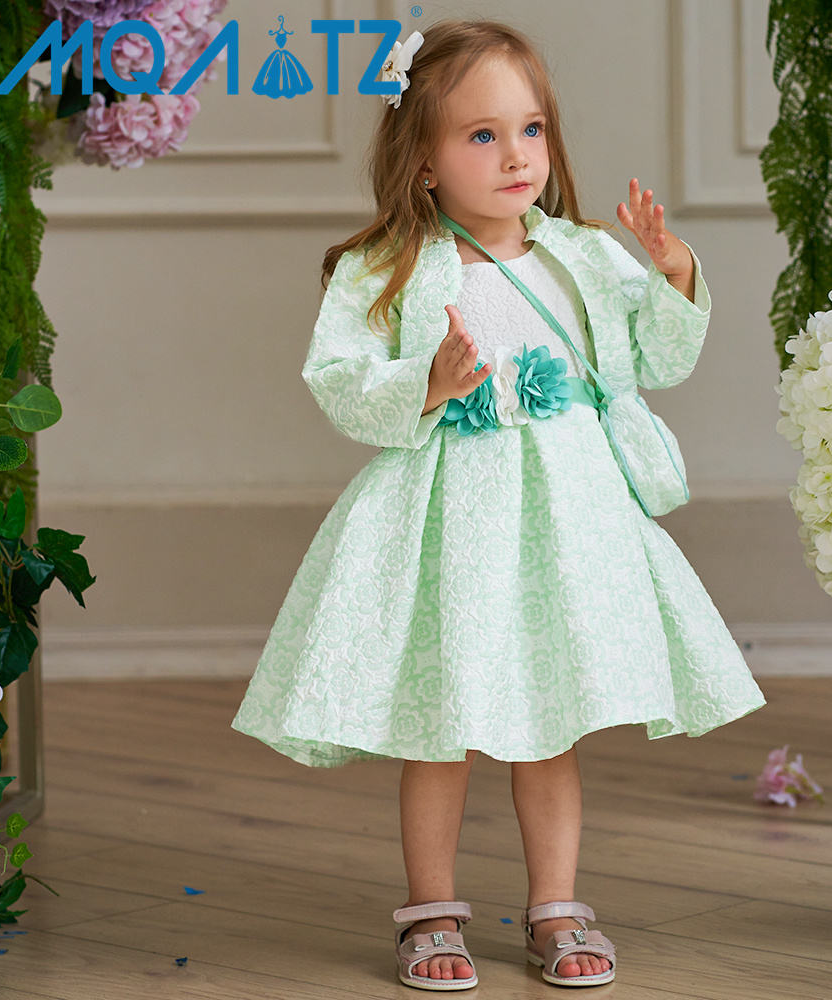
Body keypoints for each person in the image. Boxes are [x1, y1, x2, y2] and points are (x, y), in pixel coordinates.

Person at [230, 17, 766, 991]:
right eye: (482, 134)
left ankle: (555, 904)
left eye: (531, 129)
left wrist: (672, 271)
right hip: (450, 521)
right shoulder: (389, 266)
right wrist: (426, 384)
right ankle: (430, 908)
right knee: (442, 725)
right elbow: (338, 376)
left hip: (563, 518)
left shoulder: (582, 255)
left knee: (549, 721)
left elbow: (653, 358)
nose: (516, 155)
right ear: (423, 160)